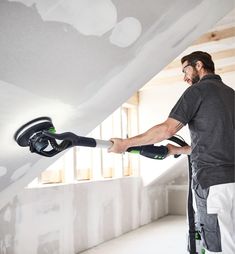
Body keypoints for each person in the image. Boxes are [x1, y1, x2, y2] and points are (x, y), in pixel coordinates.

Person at [108, 51, 235, 254]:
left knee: (219, 247)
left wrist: (125, 143)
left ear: (199, 65)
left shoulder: (197, 91)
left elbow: (167, 129)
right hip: (231, 182)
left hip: (213, 184)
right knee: (231, 238)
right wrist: (177, 150)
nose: (185, 77)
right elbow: (218, 143)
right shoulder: (230, 94)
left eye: (185, 70)